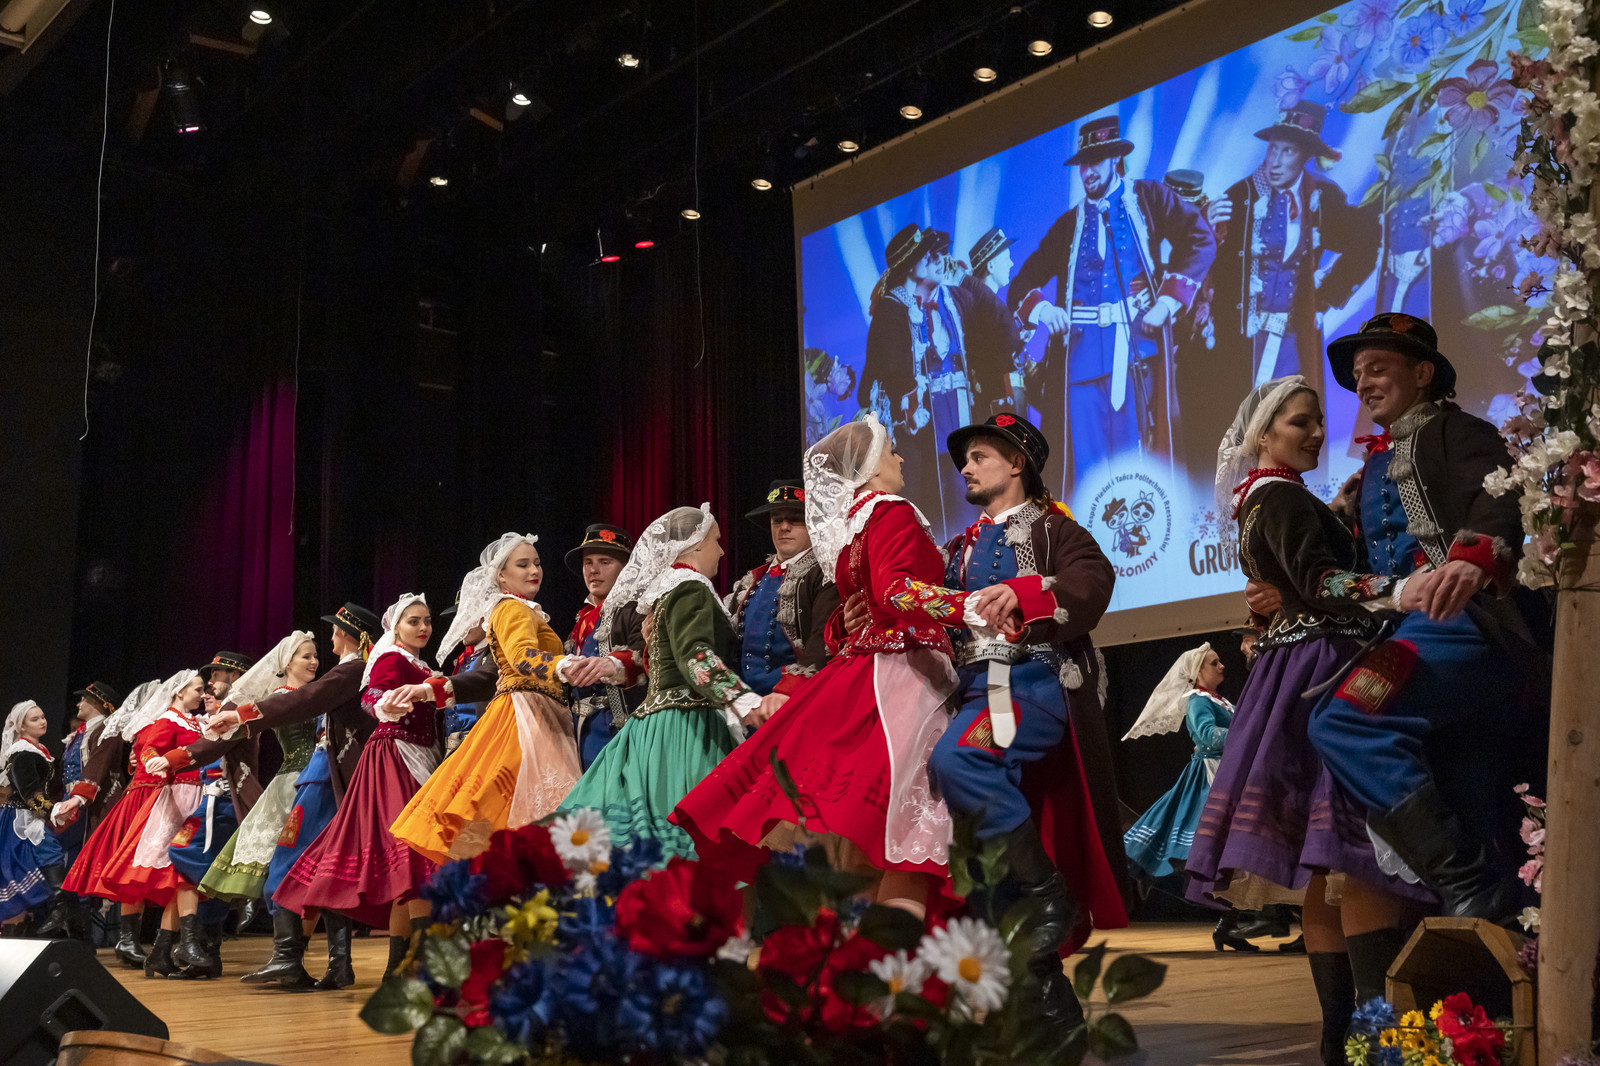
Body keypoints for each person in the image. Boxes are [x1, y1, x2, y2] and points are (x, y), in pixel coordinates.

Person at [1184, 376, 1432, 1066]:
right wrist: (1398, 589)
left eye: (1319, 421)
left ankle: (1341, 1035)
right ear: (1264, 434)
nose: (1317, 433)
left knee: (1327, 864)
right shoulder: (1284, 497)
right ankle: (1376, 1033)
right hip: (1323, 665)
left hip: (1292, 668)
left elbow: (1294, 580)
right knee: (1352, 851)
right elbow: (1321, 583)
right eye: (1300, 423)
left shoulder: (1263, 497)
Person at [676, 417, 976, 917]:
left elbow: (848, 615)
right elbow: (894, 592)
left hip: (865, 671)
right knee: (909, 835)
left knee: (867, 843)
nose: (901, 459)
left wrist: (844, 625)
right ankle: (887, 961)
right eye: (892, 451)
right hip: (904, 675)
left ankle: (858, 960)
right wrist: (975, 606)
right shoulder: (892, 510)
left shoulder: (852, 528)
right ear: (870, 465)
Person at [1303, 313, 1548, 925]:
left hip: (1463, 622)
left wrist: (1471, 559)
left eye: (1377, 368)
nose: (1363, 384)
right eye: (1358, 375)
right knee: (1469, 791)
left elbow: (1497, 496)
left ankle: (1469, 885)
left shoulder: (1458, 431)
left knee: (1343, 720)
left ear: (1422, 373)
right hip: (1412, 628)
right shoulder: (1372, 468)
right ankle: (1495, 921)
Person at [923, 411, 1128, 1038]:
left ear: (1017, 464)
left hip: (1031, 685)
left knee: (958, 759)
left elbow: (1093, 582)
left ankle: (1046, 891)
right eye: (965, 460)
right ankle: (1050, 1011)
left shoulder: (1053, 528)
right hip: (974, 691)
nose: (966, 468)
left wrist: (1026, 592)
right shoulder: (957, 548)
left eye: (979, 456)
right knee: (979, 857)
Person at [1009, 114, 1215, 491]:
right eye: (1083, 163)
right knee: (1087, 469)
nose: (1088, 171)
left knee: (1137, 461)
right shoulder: (1067, 225)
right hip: (1079, 360)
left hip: (1136, 349)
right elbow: (1021, 282)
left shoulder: (1149, 198)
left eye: (1096, 161)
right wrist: (1044, 309)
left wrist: (1167, 302)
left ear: (1115, 159)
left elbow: (1200, 239)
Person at [556, 504, 759, 859]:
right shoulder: (691, 588)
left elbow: (661, 665)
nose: (722, 551)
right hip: (687, 725)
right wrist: (743, 700)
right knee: (692, 840)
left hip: (652, 725)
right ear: (695, 543)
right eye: (716, 541)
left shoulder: (667, 592)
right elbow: (695, 657)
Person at [203, 601, 379, 990]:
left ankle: (289, 958)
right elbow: (297, 703)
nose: (318, 655)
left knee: (288, 862)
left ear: (344, 634)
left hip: (319, 779)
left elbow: (302, 703)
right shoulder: (346, 674)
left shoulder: (350, 671)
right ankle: (333, 963)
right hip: (312, 778)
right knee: (324, 867)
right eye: (306, 655)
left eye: (328, 638)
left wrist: (241, 714)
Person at [1193, 101, 1379, 470]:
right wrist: (1206, 227)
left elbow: (1365, 240)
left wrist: (1326, 297)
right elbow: (1203, 259)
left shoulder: (1323, 198)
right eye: (1273, 148)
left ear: (1306, 155)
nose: (1275, 161)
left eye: (1288, 151)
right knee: (1243, 432)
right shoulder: (1239, 197)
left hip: (1294, 340)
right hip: (1242, 341)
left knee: (1296, 421)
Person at [275, 593, 441, 979]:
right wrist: (385, 705)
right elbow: (372, 695)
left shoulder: (421, 665)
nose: (422, 627)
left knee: (411, 865)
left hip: (420, 757)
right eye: (413, 621)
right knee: (413, 854)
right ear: (394, 627)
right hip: (394, 758)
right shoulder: (391, 658)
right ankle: (411, 965)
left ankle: (399, 967)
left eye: (427, 621)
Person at [389, 536, 582, 864]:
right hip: (524, 714)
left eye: (537, 563)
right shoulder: (512, 607)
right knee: (535, 809)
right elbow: (521, 656)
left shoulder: (517, 609)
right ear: (501, 575)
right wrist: (563, 665)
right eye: (523, 564)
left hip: (536, 709)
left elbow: (494, 670)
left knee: (524, 810)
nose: (534, 570)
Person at [66, 671, 215, 978]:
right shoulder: (161, 722)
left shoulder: (192, 722)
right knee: (144, 868)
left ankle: (163, 947)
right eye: (197, 689)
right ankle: (136, 940)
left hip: (181, 795)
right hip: (154, 795)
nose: (201, 695)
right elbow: (146, 753)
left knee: (175, 873)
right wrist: (153, 764)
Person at [858, 225, 978, 532]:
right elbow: (891, 369)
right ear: (909, 266)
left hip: (921, 423)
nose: (929, 258)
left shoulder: (911, 305)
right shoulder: (891, 308)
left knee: (936, 490)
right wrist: (913, 392)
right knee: (914, 493)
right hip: (903, 426)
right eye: (922, 255)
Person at [197, 631, 319, 904]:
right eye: (306, 656)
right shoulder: (280, 696)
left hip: (319, 776)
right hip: (295, 779)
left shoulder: (313, 693)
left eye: (315, 656)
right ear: (287, 663)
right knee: (289, 855)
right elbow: (272, 709)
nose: (314, 662)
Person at [726, 479, 840, 714]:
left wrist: (788, 692)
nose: (784, 527)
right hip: (746, 709)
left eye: (795, 519)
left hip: (794, 703)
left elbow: (823, 637)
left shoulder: (825, 574)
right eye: (777, 520)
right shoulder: (751, 580)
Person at [1121, 646, 1232, 884]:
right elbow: (1207, 735)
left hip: (1226, 768)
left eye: (1219, 661)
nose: (1221, 666)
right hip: (1212, 772)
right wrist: (1244, 732)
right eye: (1214, 663)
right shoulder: (1197, 700)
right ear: (1197, 671)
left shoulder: (1219, 701)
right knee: (1209, 834)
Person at [35, 681, 122, 939]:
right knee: (71, 865)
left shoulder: (106, 730)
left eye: (83, 699)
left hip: (91, 804)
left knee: (59, 849)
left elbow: (98, 767)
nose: (78, 703)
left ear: (97, 703)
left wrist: (77, 798)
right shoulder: (80, 734)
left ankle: (68, 915)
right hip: (72, 800)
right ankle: (72, 922)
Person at [563, 523, 647, 769]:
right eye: (588, 562)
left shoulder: (636, 609)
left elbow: (648, 653)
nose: (594, 570)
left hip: (618, 731)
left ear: (626, 568)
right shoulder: (581, 619)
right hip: (579, 734)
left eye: (605, 562)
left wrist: (614, 663)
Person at [0, 702, 67, 931]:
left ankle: (52, 917)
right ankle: (58, 911)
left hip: (32, 814)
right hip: (23, 817)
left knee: (42, 858)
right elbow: (29, 793)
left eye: (42, 716)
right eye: (34, 719)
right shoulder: (22, 753)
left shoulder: (37, 750)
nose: (42, 721)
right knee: (47, 853)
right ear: (21, 726)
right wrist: (50, 812)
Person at [960, 227, 1028, 415]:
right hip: (991, 404)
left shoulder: (986, 306)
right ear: (990, 267)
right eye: (1006, 259)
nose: (1011, 263)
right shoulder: (982, 309)